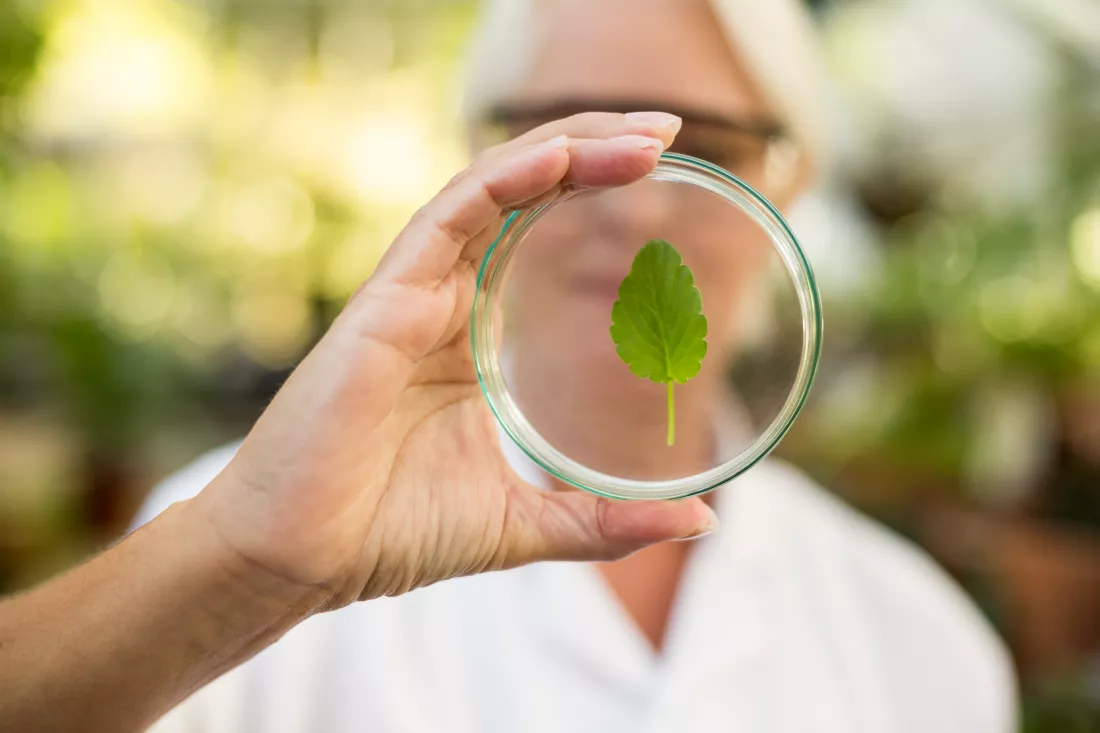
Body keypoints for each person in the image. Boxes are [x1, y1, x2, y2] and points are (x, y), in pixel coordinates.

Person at [0, 1, 1016, 732]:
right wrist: (243, 568)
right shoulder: (232, 548)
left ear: (789, 186)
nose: (630, 202)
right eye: (565, 143)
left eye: (700, 148)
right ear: (475, 158)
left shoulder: (914, 635)